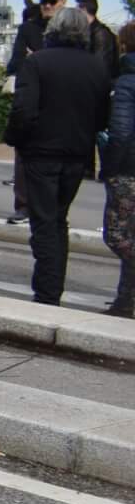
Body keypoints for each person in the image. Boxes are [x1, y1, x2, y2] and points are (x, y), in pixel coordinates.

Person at [6, 5, 112, 307]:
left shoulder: (37, 62)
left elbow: (23, 110)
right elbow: (102, 117)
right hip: (77, 154)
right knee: (59, 220)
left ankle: (47, 292)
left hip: (41, 151)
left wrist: (15, 139)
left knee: (43, 221)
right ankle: (53, 287)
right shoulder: (97, 67)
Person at [6, 0, 66, 223]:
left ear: (62, 2)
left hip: (60, 102)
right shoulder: (29, 29)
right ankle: (23, 205)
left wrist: (38, 58)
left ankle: (53, 207)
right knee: (24, 154)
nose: (47, 6)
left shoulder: (70, 30)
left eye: (52, 2)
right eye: (44, 2)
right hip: (33, 98)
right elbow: (16, 62)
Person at [102, 21, 135, 318]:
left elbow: (122, 132)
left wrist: (109, 166)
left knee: (117, 235)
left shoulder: (126, 81)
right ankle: (125, 302)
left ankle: (127, 301)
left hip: (129, 169)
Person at [76, 0, 120, 85]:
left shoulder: (101, 34)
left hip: (97, 84)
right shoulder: (92, 31)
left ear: (83, 10)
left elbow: (99, 64)